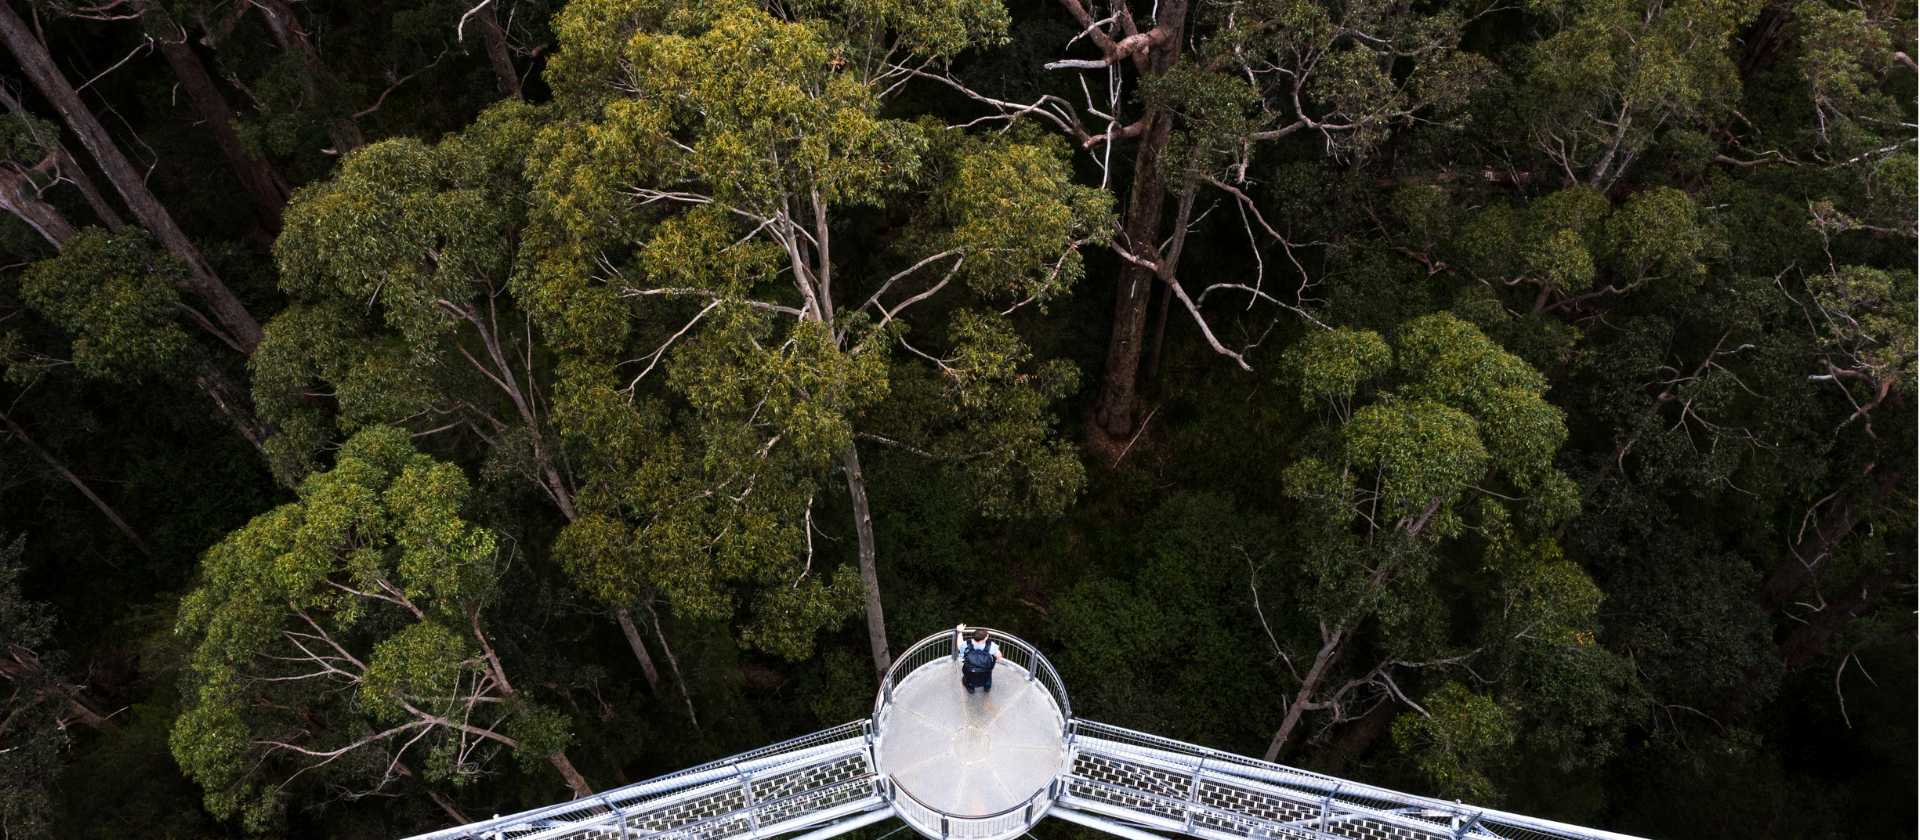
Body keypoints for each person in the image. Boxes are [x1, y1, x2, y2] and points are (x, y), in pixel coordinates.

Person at [959, 627, 1001, 694]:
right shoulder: (990, 646)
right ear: (983, 639)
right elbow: (999, 657)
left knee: (969, 678)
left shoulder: (966, 644)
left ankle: (971, 689)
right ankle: (987, 688)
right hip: (985, 671)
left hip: (970, 670)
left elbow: (959, 644)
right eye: (986, 636)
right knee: (987, 677)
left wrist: (960, 632)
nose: (987, 637)